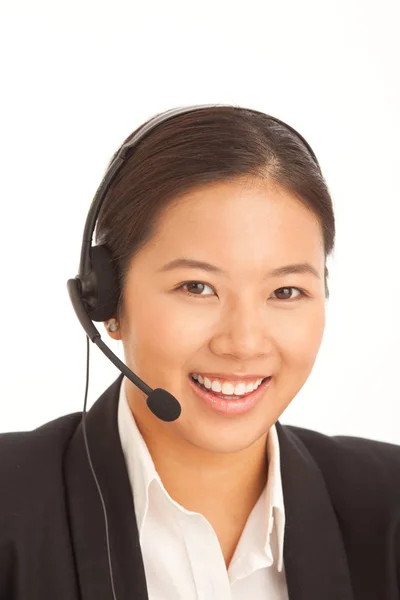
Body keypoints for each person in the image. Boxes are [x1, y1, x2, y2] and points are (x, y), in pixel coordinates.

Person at [0, 105, 399, 600]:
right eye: (197, 286)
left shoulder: (389, 504)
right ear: (105, 300)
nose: (244, 342)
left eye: (286, 291)